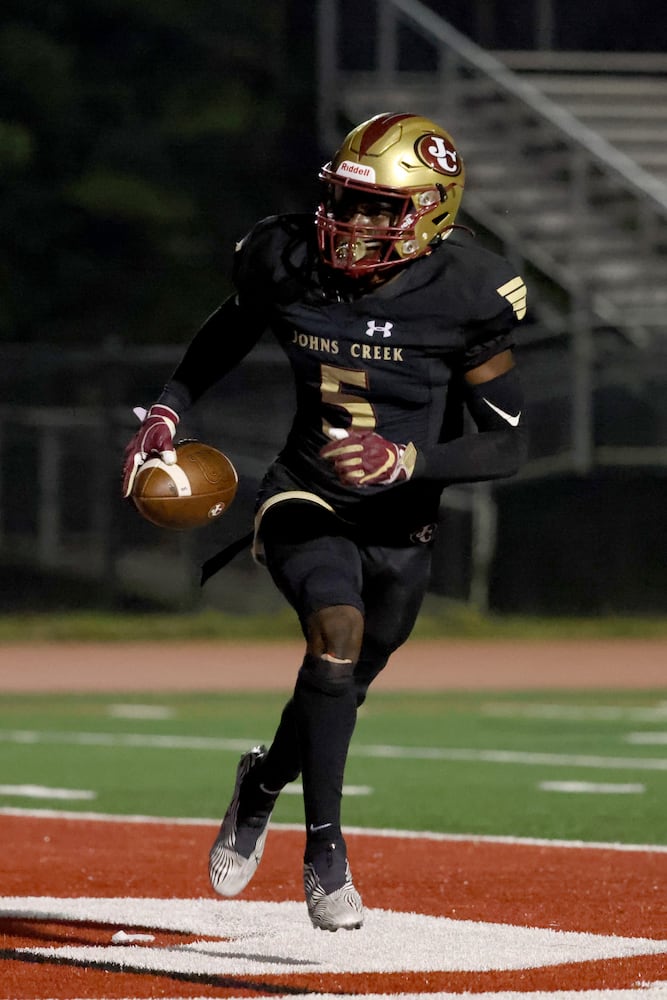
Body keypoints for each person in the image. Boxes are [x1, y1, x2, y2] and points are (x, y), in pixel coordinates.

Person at [121, 112, 528, 932]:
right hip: (303, 487)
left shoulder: (467, 293)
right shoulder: (285, 258)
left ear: (431, 211)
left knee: (343, 683)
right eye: (345, 200)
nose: (353, 223)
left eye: (379, 209)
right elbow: (234, 325)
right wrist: (169, 406)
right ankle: (326, 853)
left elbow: (510, 443)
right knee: (333, 632)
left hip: (402, 517)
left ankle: (263, 781)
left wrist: (408, 462)